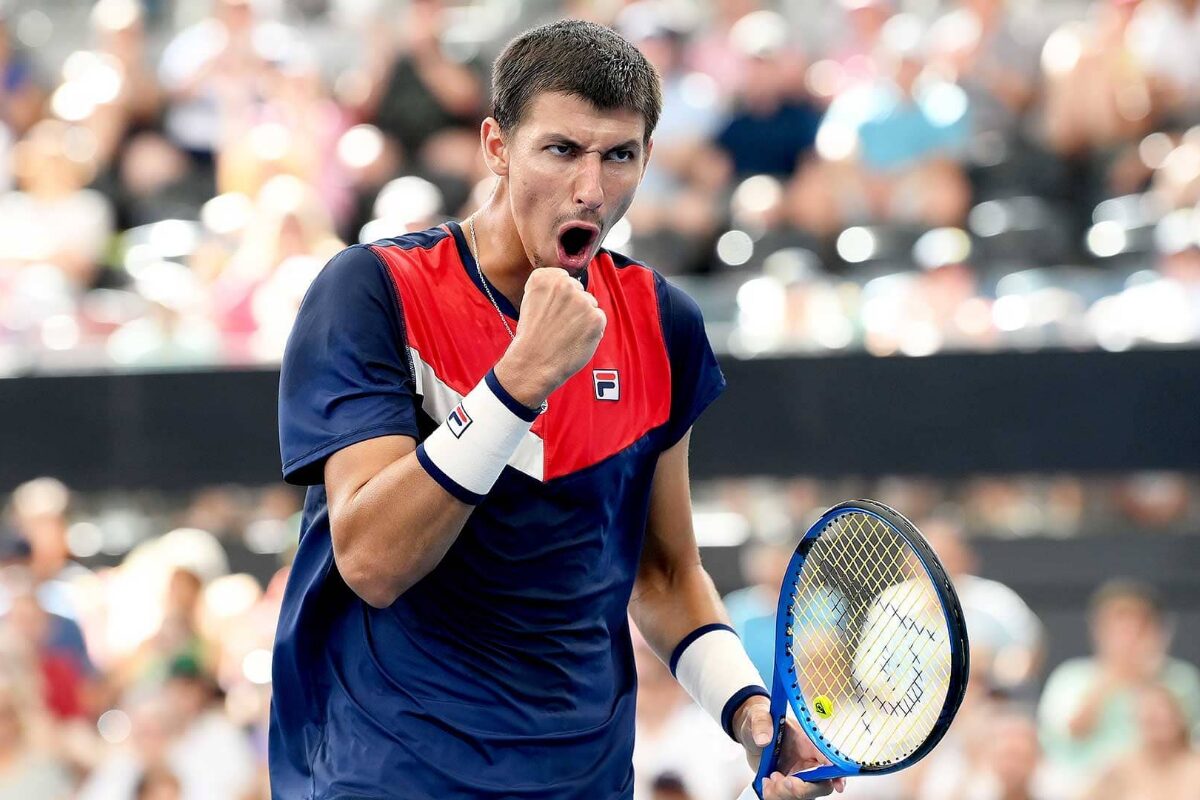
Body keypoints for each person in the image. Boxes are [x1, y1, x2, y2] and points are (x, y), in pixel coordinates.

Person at [272, 19, 844, 800]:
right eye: (561, 150)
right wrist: (517, 385)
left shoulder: (661, 320)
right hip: (389, 768)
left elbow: (666, 571)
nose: (591, 188)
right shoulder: (372, 291)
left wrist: (752, 717)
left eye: (620, 155)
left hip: (583, 776)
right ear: (497, 148)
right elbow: (372, 560)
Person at [1037, 580, 1200, 785]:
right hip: (1082, 785)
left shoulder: (1180, 678)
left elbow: (1189, 742)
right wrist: (1111, 678)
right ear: (1098, 630)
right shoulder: (1071, 677)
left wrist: (1149, 683)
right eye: (1118, 627)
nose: (1127, 637)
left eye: (1138, 628)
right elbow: (1064, 736)